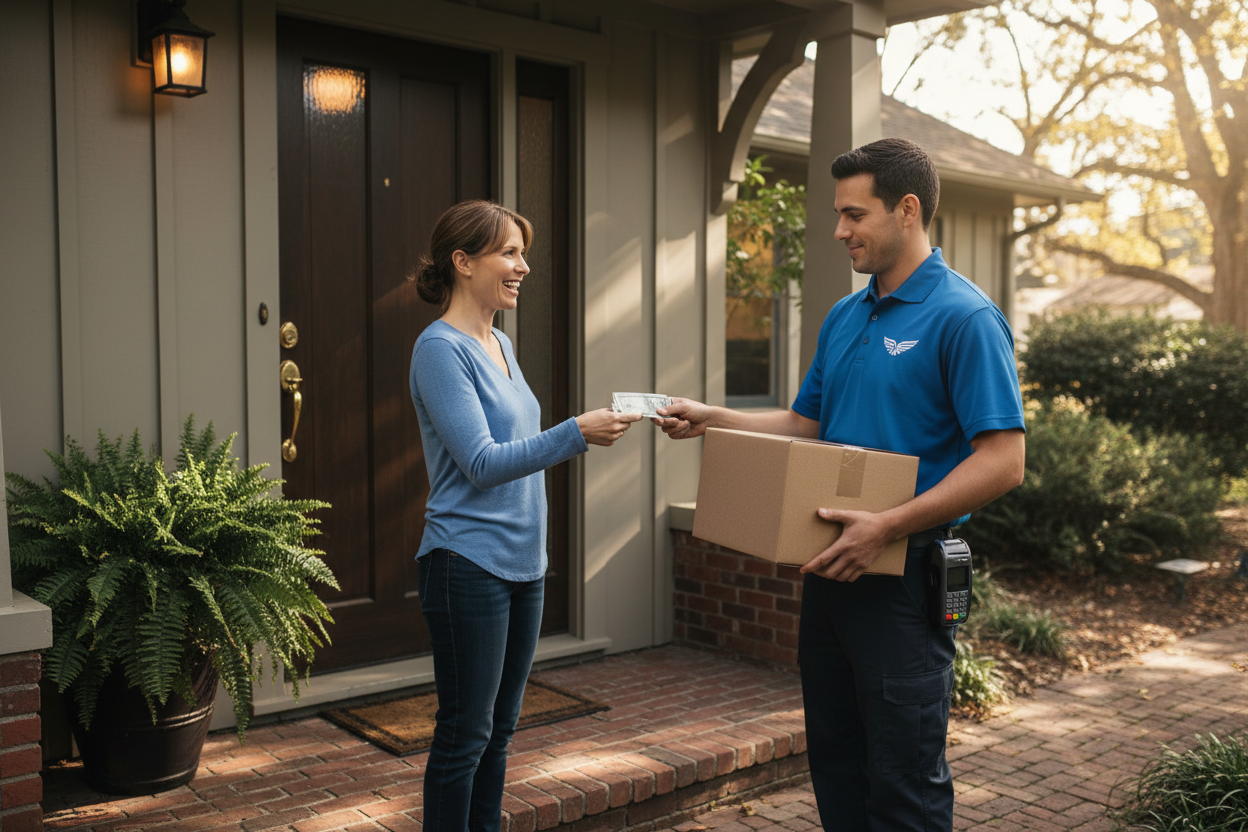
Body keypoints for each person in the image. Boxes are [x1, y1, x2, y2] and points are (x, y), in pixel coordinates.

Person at [655, 138, 1025, 830]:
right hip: (828, 567)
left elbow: (1003, 460)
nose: (839, 231)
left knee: (903, 776)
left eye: (854, 215)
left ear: (907, 210)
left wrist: (886, 526)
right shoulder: (845, 315)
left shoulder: (964, 317)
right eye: (838, 214)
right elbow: (806, 422)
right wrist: (716, 419)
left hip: (903, 576)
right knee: (837, 762)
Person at [408, 200, 642, 832]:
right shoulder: (440, 351)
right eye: (508, 253)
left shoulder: (501, 343)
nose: (523, 266)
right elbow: (483, 463)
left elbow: (515, 447)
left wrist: (579, 432)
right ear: (463, 262)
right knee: (465, 734)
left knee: (500, 732)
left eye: (521, 252)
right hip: (466, 563)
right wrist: (577, 431)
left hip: (523, 565)